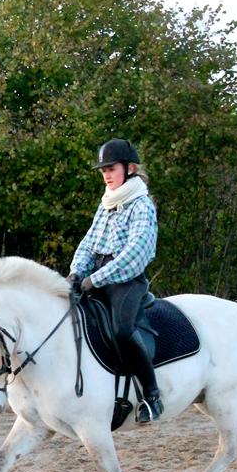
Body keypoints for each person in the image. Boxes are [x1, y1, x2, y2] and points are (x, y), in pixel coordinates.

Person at [68, 138, 163, 423]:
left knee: (122, 330)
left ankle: (151, 395)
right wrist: (76, 272)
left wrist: (94, 279)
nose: (106, 175)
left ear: (130, 168)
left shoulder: (141, 206)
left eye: (111, 168)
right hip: (97, 277)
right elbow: (89, 243)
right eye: (103, 170)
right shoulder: (107, 203)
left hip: (126, 281)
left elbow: (135, 253)